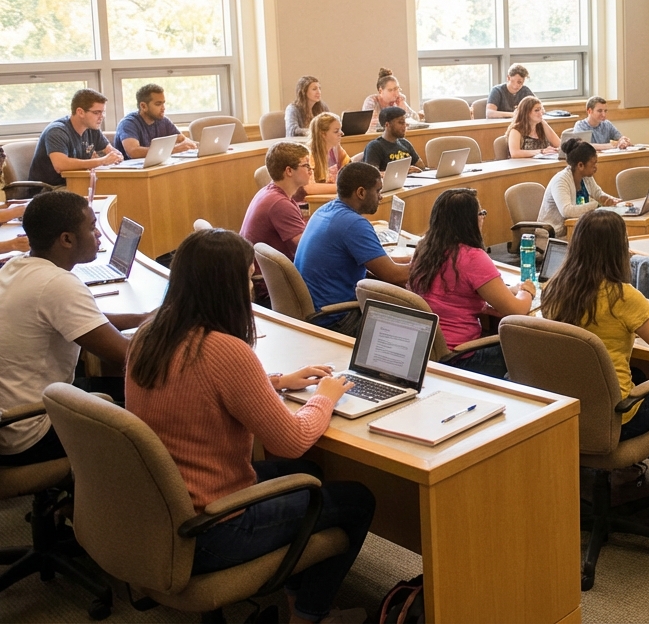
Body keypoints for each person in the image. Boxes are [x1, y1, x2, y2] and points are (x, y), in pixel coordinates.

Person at [125, 229, 374, 624]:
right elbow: (293, 440)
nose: (252, 284)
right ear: (225, 286)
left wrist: (274, 382)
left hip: (163, 513)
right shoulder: (225, 350)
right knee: (357, 499)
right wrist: (324, 396)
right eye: (246, 276)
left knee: (307, 475)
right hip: (213, 530)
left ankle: (295, 594)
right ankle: (309, 616)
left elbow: (197, 387)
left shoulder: (150, 334)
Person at [541, 210, 649, 509]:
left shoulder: (554, 289)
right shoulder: (622, 296)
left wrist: (645, 315)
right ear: (618, 249)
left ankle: (622, 474)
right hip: (616, 420)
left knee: (635, 369)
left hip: (569, 412)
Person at [0, 191, 148, 466]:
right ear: (66, 239)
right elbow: (127, 356)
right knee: (151, 418)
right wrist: (172, 334)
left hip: (10, 419)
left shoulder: (17, 266)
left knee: (118, 389)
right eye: (92, 228)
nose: (99, 235)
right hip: (31, 433)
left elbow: (89, 319)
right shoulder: (58, 285)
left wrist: (141, 318)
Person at [409, 189, 534, 378]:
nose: (483, 218)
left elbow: (453, 295)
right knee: (528, 346)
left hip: (424, 352)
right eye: (480, 213)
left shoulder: (424, 248)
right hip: (458, 358)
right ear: (468, 220)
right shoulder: (471, 257)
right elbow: (516, 310)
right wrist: (527, 291)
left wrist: (509, 290)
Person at [294, 163, 410, 335]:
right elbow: (394, 275)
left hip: (315, 310)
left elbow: (381, 263)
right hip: (336, 319)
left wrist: (412, 259)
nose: (381, 197)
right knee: (410, 326)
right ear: (361, 192)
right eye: (378, 191)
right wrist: (432, 261)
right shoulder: (353, 224)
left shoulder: (325, 210)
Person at [241, 143, 311, 305]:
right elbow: (306, 251)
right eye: (306, 165)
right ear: (289, 171)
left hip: (266, 280)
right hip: (268, 288)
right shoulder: (279, 203)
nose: (310, 170)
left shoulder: (272, 192)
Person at [30, 89, 124, 186]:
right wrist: (101, 161)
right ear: (80, 112)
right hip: (51, 189)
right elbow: (60, 165)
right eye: (97, 112)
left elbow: (112, 152)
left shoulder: (92, 129)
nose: (102, 117)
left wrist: (116, 156)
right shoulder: (57, 131)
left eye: (103, 112)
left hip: (78, 183)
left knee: (118, 187)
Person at [538, 138, 624, 237]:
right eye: (593, 164)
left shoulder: (586, 177)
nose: (596, 167)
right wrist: (596, 205)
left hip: (575, 231)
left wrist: (612, 200)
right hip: (554, 236)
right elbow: (566, 211)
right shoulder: (561, 180)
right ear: (580, 165)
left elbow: (597, 193)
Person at [114, 83, 195, 159]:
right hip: (132, 172)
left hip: (156, 169)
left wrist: (189, 144)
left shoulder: (163, 121)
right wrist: (173, 150)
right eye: (158, 104)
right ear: (143, 106)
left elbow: (183, 139)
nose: (163, 108)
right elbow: (134, 152)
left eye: (163, 103)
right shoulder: (128, 124)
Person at [362, 107, 422, 172]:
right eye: (401, 122)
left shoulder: (405, 143)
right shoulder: (375, 146)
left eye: (405, 123)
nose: (404, 126)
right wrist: (401, 171)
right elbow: (372, 174)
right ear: (387, 125)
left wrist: (415, 169)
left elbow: (421, 166)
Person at [305, 112, 349, 197]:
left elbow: (350, 168)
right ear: (323, 134)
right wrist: (344, 188)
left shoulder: (336, 149)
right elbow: (309, 187)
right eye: (336, 131)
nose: (342, 133)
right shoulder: (308, 154)